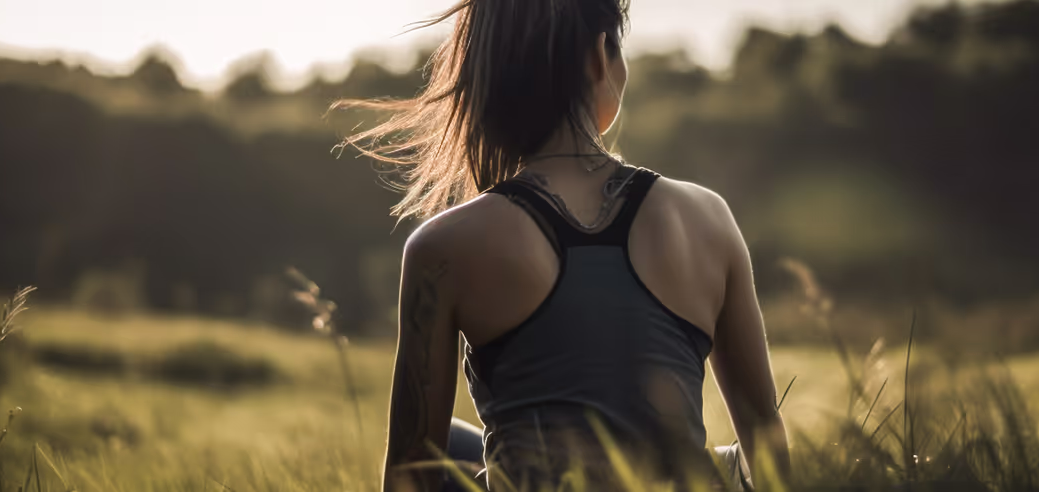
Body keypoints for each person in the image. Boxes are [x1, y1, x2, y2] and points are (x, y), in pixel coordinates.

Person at [333, 0, 790, 490]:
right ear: (600, 56)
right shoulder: (707, 217)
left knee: (441, 443)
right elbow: (767, 447)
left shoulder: (442, 246)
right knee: (731, 458)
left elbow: (408, 478)